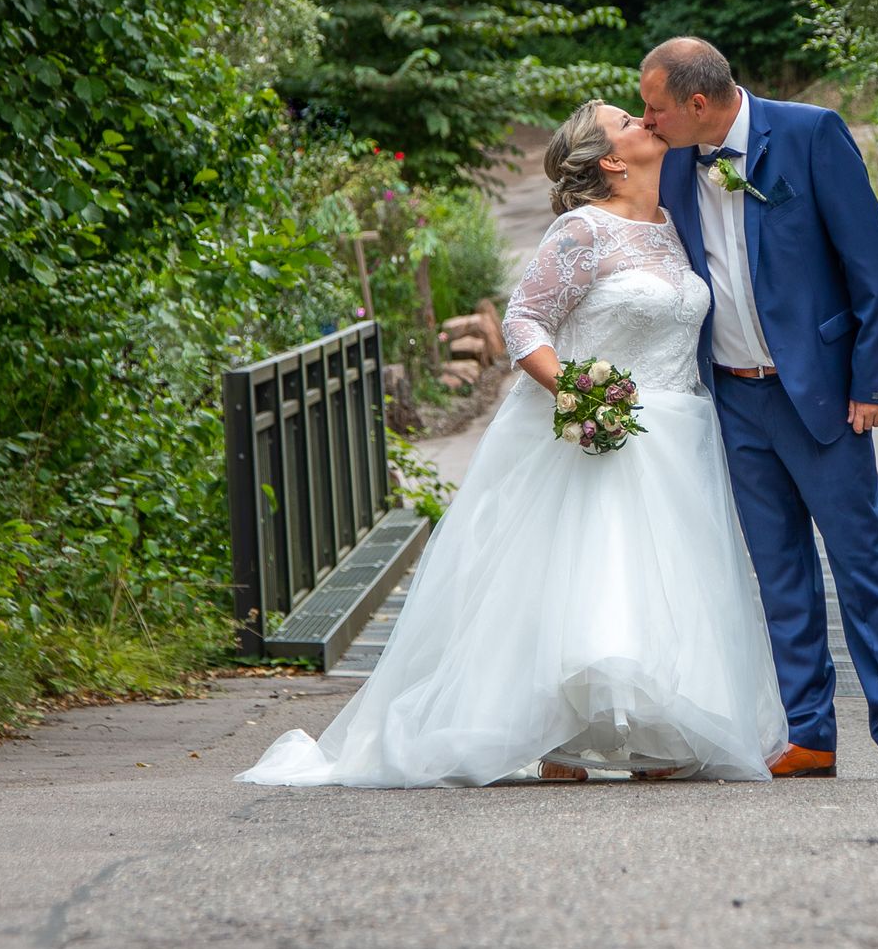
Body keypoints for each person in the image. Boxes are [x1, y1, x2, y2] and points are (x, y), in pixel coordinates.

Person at [239, 102, 785, 789]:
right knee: (586, 580)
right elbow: (525, 320)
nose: (647, 120)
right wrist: (580, 392)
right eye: (628, 119)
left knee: (671, 582)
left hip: (678, 433)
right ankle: (557, 732)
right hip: (598, 427)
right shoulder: (582, 229)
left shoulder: (674, 224)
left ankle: (661, 730)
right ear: (611, 158)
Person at [641, 37, 878, 780]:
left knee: (861, 562)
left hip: (824, 394)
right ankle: (810, 734)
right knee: (779, 573)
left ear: (698, 105)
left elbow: (874, 271)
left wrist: (874, 383)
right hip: (733, 398)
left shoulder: (810, 134)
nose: (647, 121)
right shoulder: (671, 160)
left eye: (656, 108)